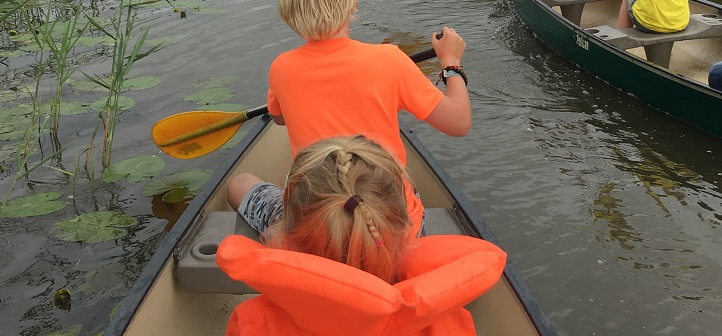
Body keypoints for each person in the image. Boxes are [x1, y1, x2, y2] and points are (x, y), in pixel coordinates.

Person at [226, 0, 471, 237]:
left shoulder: (281, 68)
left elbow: (279, 119)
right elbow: (458, 122)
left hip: (315, 228)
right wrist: (451, 63)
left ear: (287, 13)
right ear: (352, 3)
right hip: (392, 225)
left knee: (237, 184)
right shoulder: (390, 60)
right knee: (406, 190)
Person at [216, 135, 506, 336]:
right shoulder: (449, 323)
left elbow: (238, 184)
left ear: (286, 234)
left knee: (243, 186)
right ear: (404, 229)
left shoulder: (255, 323)